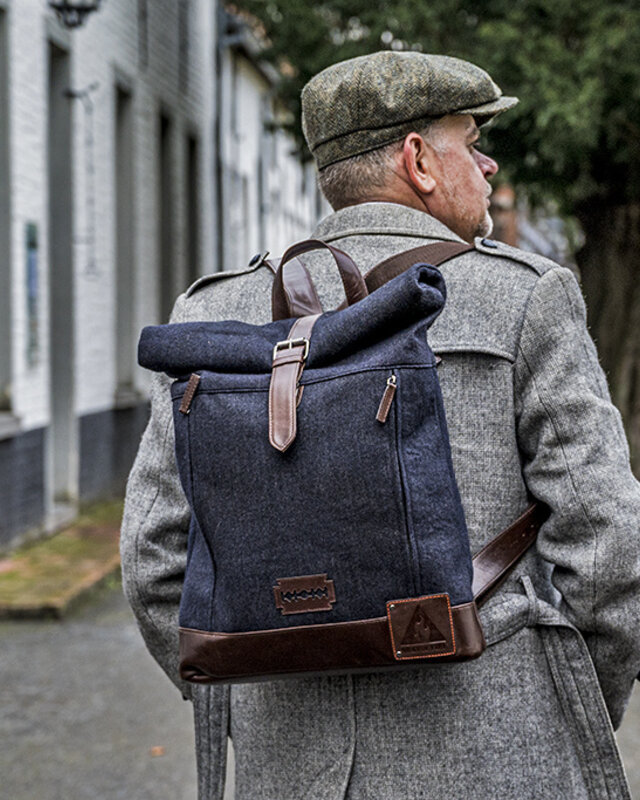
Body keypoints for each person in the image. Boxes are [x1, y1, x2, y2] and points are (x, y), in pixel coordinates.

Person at [121, 51, 640, 799]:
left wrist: (256, 698)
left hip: (291, 767)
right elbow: (606, 550)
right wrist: (573, 703)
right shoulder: (523, 300)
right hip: (498, 756)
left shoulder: (213, 315)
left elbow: (152, 558)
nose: (488, 165)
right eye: (472, 140)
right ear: (420, 159)